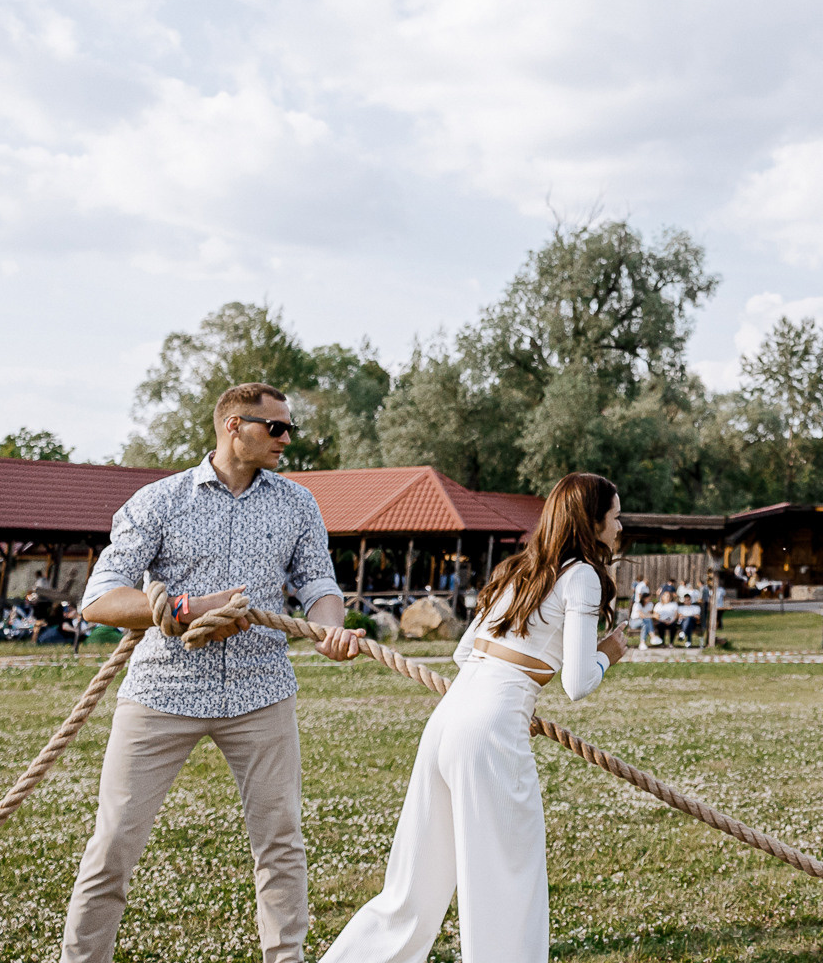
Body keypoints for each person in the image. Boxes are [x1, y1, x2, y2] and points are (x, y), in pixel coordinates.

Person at [63, 383, 365, 963]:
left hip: (261, 693)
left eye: (289, 428)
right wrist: (185, 610)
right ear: (233, 426)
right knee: (113, 846)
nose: (287, 438)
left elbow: (319, 583)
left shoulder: (298, 503)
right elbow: (99, 599)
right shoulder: (159, 500)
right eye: (275, 428)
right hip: (162, 693)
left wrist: (330, 627)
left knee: (281, 844)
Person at [323, 473, 628, 962]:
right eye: (615, 517)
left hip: (449, 718)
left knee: (414, 884)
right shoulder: (582, 576)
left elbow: (465, 655)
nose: (619, 527)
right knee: (508, 880)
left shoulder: (517, 569)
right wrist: (607, 654)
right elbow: (577, 682)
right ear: (591, 522)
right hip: (492, 731)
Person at [677, 582, 701, 648]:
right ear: (684, 601)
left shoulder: (696, 607)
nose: (687, 602)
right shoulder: (680, 608)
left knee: (689, 620)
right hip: (682, 623)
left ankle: (683, 634)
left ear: (691, 600)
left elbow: (698, 617)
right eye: (686, 600)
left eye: (688, 600)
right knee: (688, 622)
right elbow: (680, 616)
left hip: (693, 623)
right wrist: (691, 616)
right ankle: (688, 642)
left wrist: (687, 616)